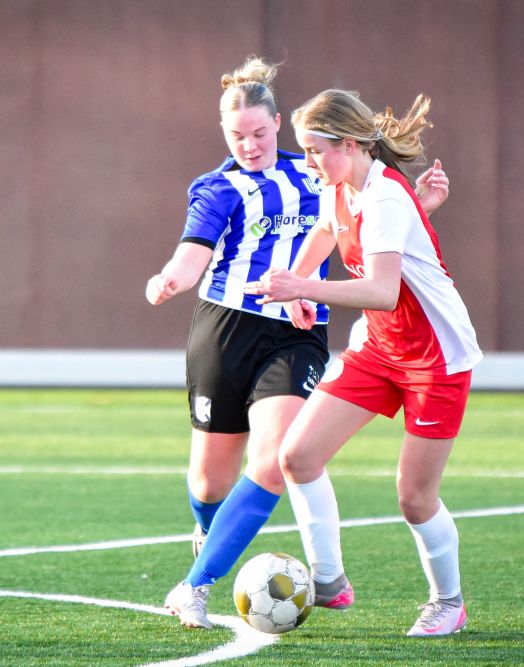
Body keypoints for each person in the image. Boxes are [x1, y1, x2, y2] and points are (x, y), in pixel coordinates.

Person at [146, 58, 450, 630]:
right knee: (210, 483)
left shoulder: (318, 171)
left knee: (273, 461)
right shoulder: (217, 188)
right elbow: (192, 255)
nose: (250, 145)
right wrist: (168, 279)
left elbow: (368, 222)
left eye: (260, 133)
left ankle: (194, 587)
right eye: (237, 136)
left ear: (278, 123)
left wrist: (418, 209)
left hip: (296, 330)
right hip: (224, 329)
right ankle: (212, 535)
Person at [244, 89, 482, 637]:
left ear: (349, 145)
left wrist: (303, 287)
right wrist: (301, 281)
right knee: (297, 456)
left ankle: (448, 603)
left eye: (314, 150)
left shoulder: (386, 198)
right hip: (379, 348)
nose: (307, 161)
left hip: (435, 358)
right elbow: (328, 230)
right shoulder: (341, 186)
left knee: (414, 499)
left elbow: (381, 291)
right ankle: (328, 581)